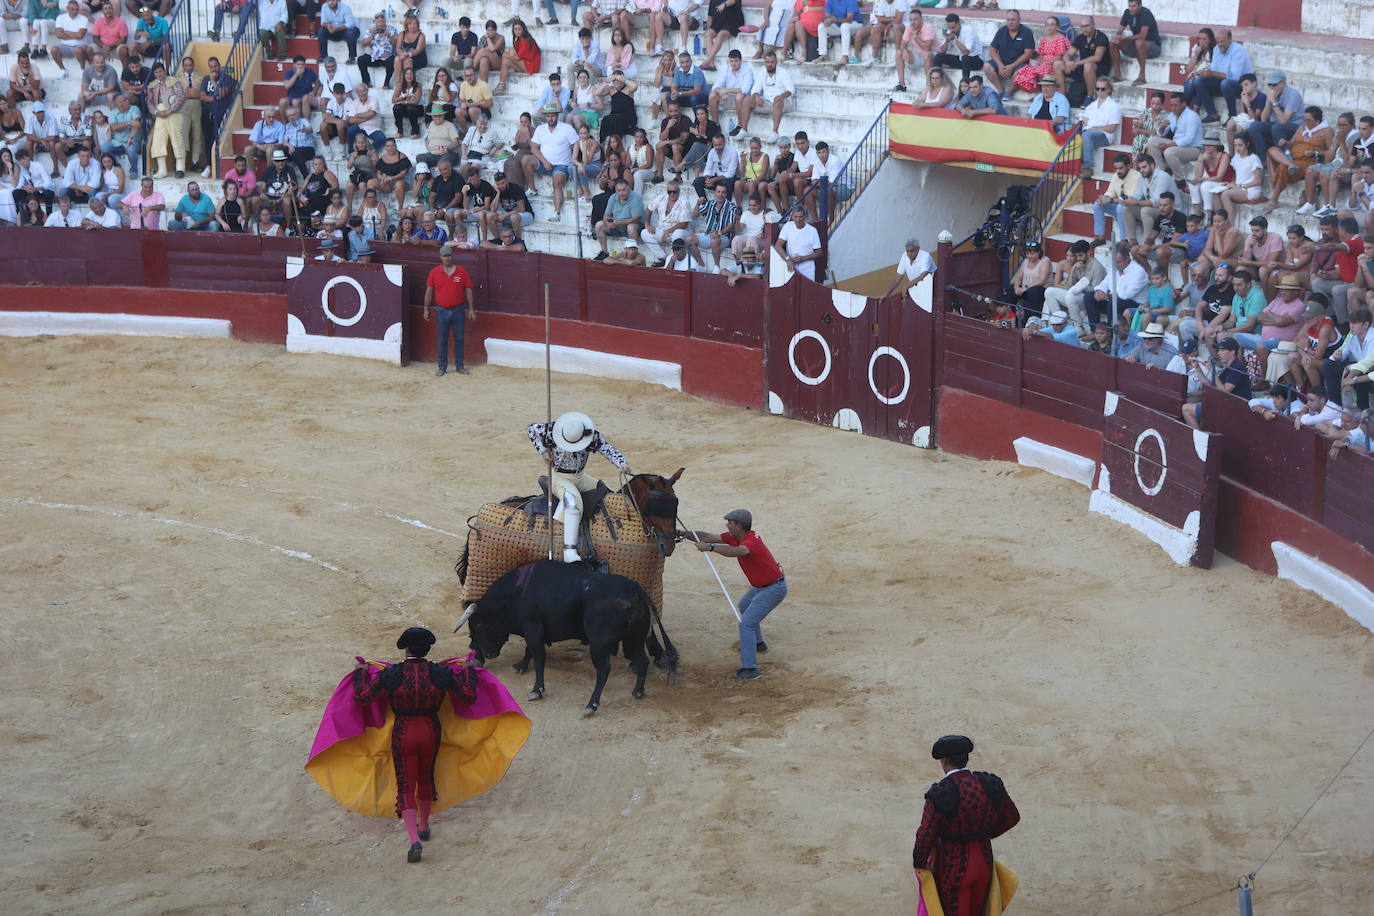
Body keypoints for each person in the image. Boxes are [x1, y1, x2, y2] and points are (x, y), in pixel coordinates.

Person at [351, 627, 480, 864]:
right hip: (431, 729)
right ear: (428, 649)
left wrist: (360, 673)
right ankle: (424, 825)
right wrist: (469, 671)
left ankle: (414, 840)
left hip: (403, 731)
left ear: (406, 649)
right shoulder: (440, 672)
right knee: (426, 776)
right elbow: (469, 695)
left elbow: (363, 697)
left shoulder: (391, 675)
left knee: (406, 785)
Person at [912, 735, 1020, 916]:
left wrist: (920, 863)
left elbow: (925, 834)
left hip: (954, 865)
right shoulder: (988, 783)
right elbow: (1012, 817)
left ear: (944, 760)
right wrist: (985, 833)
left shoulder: (940, 792)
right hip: (984, 861)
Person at [679, 509, 784, 680]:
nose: (727, 525)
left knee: (746, 624)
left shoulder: (749, 542)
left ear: (739, 526)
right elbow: (707, 536)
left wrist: (711, 548)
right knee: (744, 606)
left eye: (730, 523)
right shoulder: (739, 536)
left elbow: (738, 551)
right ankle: (758, 644)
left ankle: (750, 669)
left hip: (773, 588)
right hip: (762, 585)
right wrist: (685, 533)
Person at [527, 412, 631, 562]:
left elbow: (607, 449)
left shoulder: (590, 435)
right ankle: (569, 551)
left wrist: (621, 463)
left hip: (580, 477)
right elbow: (531, 429)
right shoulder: (551, 430)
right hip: (558, 478)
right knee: (572, 501)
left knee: (604, 491)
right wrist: (543, 450)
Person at [424, 243, 476, 377]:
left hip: (458, 310)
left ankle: (459, 366)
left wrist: (471, 309)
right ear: (440, 257)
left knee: (459, 338)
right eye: (444, 256)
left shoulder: (462, 271)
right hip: (441, 310)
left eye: (448, 256)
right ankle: (442, 367)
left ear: (452, 257)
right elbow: (429, 291)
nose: (446, 258)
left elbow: (468, 290)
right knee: (442, 339)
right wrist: (426, 307)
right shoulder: (434, 272)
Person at [735, 51, 793, 142]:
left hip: (783, 103)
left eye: (772, 62)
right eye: (768, 62)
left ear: (776, 62)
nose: (770, 65)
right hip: (767, 102)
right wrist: (757, 96)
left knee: (777, 100)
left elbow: (791, 90)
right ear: (765, 63)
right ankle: (744, 130)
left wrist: (781, 96)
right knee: (747, 99)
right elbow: (755, 89)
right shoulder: (762, 73)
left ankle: (775, 132)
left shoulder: (783, 72)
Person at [1323, 307, 1372, 409]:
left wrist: (1349, 378)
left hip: (1369, 371)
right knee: (1328, 365)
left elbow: (1366, 365)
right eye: (1350, 323)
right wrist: (1337, 356)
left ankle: (1363, 410)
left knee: (1361, 372)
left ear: (1366, 324)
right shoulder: (1352, 336)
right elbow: (1342, 353)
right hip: (1356, 369)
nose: (1351, 326)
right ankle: (1335, 405)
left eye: (1355, 323)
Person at [982, 9, 1034, 99]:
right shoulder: (1001, 31)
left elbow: (1028, 53)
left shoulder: (1026, 32)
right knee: (986, 66)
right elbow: (992, 49)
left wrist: (1011, 67)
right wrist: (1000, 65)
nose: (1010, 22)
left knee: (1022, 72)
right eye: (1008, 20)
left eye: (1013, 20)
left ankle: (1009, 92)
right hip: (1002, 62)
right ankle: (1000, 91)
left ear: (1019, 20)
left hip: (1019, 64)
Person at [1109, 0, 1159, 86]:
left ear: (1140, 6)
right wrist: (1117, 37)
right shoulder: (1127, 12)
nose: (1131, 9)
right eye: (1130, 6)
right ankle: (1117, 75)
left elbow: (1143, 36)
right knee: (1113, 43)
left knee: (1139, 42)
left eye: (1134, 6)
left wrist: (1125, 38)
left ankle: (1142, 77)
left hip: (1153, 46)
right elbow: (1120, 30)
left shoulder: (1146, 13)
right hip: (1136, 45)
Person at [774, 205, 822, 282]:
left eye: (800, 217)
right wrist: (788, 259)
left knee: (807, 291)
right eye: (795, 217)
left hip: (807, 268)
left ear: (805, 217)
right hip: (791, 266)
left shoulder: (812, 230)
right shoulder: (788, 226)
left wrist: (803, 258)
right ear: (792, 216)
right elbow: (778, 245)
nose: (798, 219)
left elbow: (819, 252)